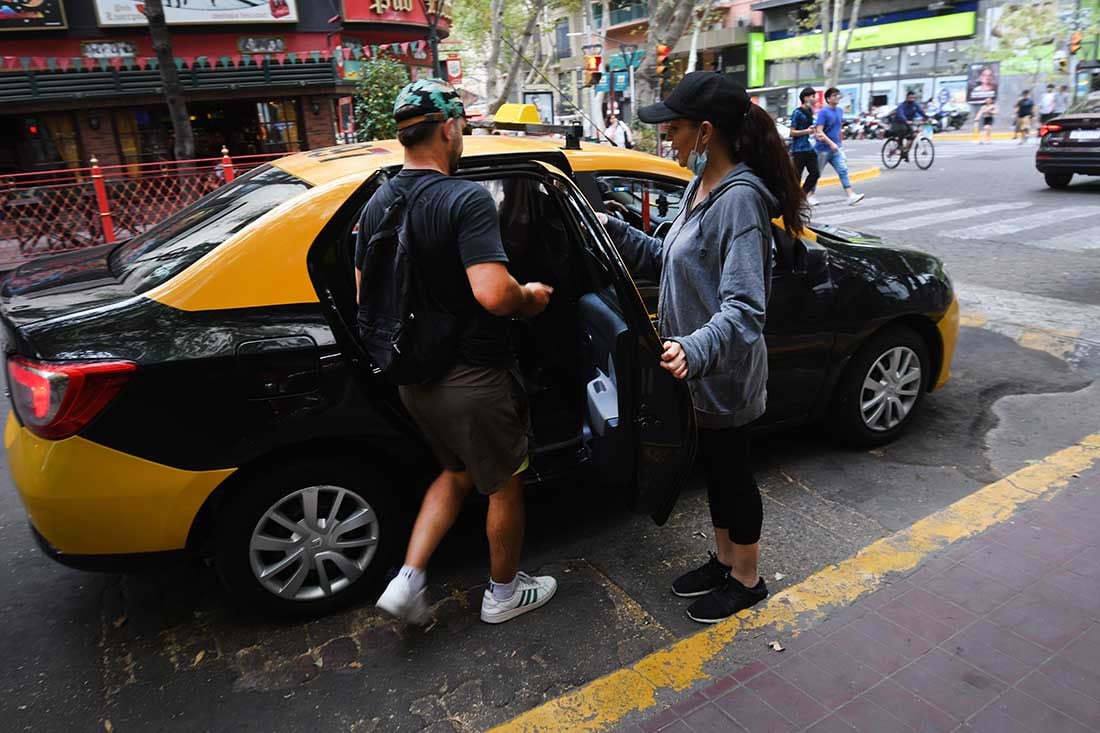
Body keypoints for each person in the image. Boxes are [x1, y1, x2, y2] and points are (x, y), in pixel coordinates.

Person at [594, 72, 810, 624]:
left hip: (725, 371)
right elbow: (669, 258)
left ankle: (748, 578)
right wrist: (612, 228)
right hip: (696, 370)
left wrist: (694, 347)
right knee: (714, 470)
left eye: (674, 127)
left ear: (706, 131)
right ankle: (722, 560)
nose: (667, 136)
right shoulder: (698, 189)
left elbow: (745, 309)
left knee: (733, 473)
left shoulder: (740, 203)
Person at [361, 79, 558, 626]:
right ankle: (502, 593)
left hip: (414, 380)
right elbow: (494, 294)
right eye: (463, 128)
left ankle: (407, 582)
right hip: (473, 378)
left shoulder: (377, 201)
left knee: (455, 473)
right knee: (505, 481)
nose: (463, 137)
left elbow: (365, 291)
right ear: (448, 128)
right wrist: (532, 297)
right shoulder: (464, 198)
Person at [815, 87, 864, 205]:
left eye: (838, 95)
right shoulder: (823, 112)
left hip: (836, 148)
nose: (837, 97)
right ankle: (809, 195)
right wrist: (831, 143)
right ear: (828, 98)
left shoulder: (839, 111)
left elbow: (838, 129)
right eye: (834, 95)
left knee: (843, 170)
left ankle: (851, 195)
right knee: (816, 174)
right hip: (822, 149)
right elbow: (819, 131)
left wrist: (839, 144)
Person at [789, 86, 821, 206]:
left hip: (809, 148)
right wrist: (806, 131)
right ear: (805, 98)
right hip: (799, 149)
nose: (815, 98)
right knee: (797, 176)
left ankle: (802, 195)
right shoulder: (797, 112)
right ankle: (793, 200)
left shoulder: (810, 111)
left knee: (815, 173)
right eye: (813, 96)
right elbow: (791, 132)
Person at [891, 91, 930, 160]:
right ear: (907, 98)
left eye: (913, 98)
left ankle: (905, 152)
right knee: (903, 129)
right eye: (910, 98)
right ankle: (900, 145)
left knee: (912, 135)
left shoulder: (915, 105)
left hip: (908, 123)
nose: (912, 99)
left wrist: (927, 118)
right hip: (898, 123)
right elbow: (900, 114)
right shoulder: (902, 105)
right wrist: (905, 120)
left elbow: (921, 111)